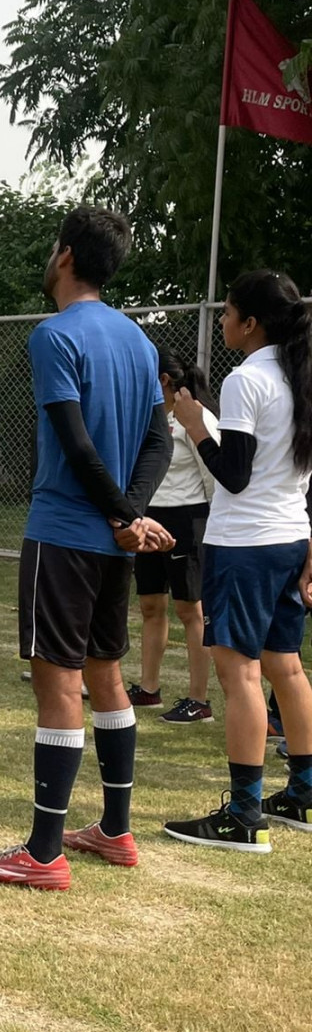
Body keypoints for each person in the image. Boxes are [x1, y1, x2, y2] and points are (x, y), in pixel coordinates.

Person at [0, 207, 172, 891]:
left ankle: (44, 853)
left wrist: (121, 513)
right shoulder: (139, 342)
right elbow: (159, 443)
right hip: (114, 542)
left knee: (58, 685)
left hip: (64, 534)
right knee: (107, 677)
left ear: (66, 257)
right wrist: (131, 517)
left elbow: (76, 444)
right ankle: (115, 830)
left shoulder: (53, 334)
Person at [164, 270, 312, 851]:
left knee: (241, 673)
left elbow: (234, 474)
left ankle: (244, 817)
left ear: (250, 323)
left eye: (226, 313)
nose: (222, 321)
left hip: (245, 543)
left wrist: (195, 425)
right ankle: (303, 795)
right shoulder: (300, 375)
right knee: (287, 668)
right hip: (289, 537)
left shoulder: (247, 378)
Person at [128, 351, 220, 723]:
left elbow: (214, 476)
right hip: (149, 518)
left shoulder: (197, 416)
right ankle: (148, 689)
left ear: (164, 379)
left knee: (189, 609)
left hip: (188, 519)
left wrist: (213, 526)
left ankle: (199, 700)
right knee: (151, 605)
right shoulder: (148, 416)